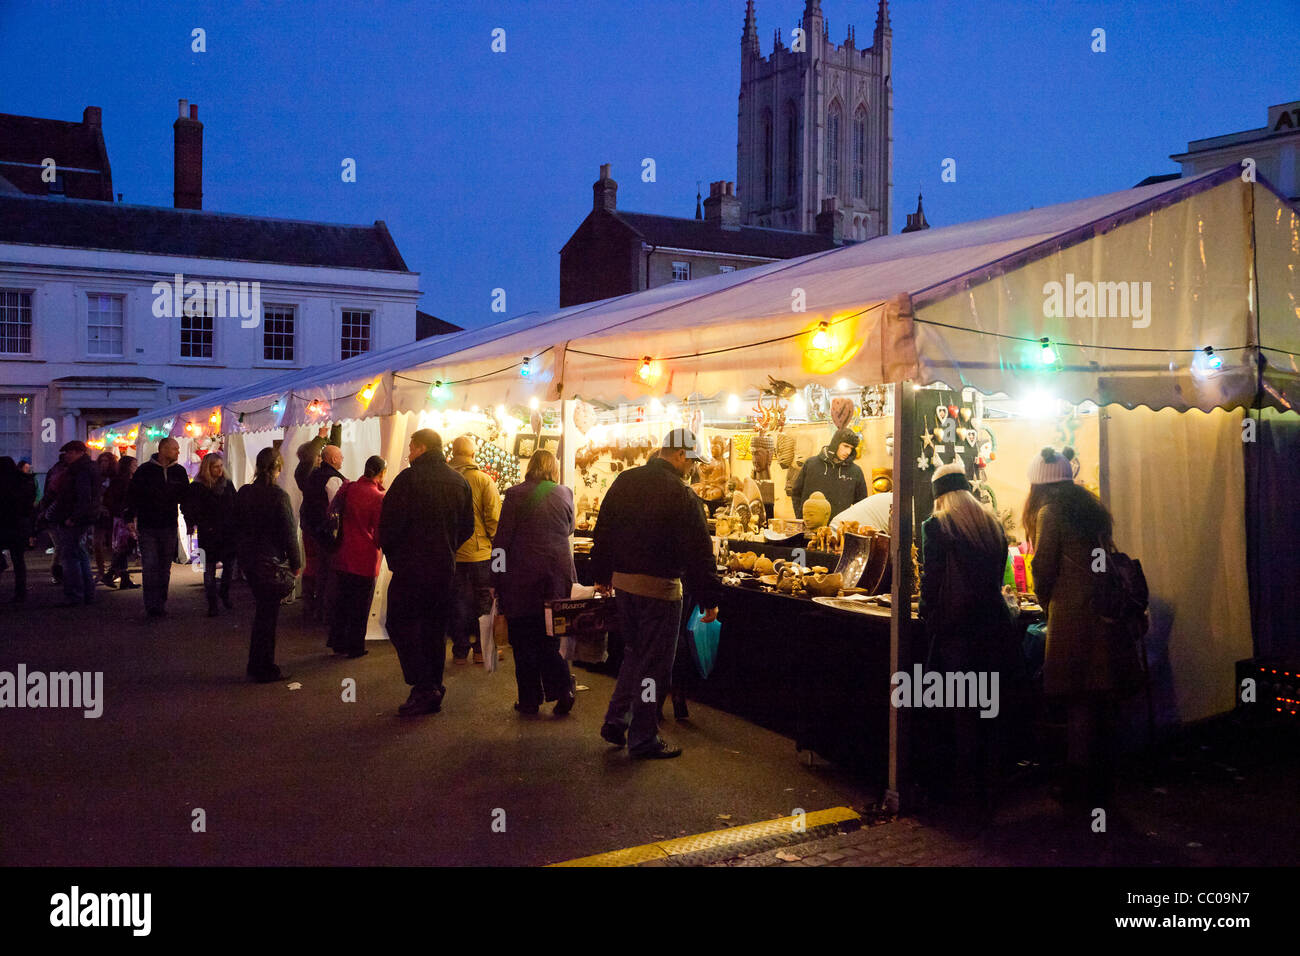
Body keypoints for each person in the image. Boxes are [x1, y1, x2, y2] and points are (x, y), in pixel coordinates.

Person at [591, 429, 721, 759]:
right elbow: (699, 551)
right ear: (679, 455)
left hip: (623, 585)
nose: (692, 467)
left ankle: (616, 720)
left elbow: (603, 529)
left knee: (634, 653)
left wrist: (602, 575)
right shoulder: (682, 494)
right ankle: (644, 737)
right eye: (691, 460)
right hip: (660, 591)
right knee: (656, 666)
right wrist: (709, 598)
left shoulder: (625, 480)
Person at [1022, 446, 1130, 807]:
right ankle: (1103, 780)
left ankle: (1077, 781)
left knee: (1077, 699)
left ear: (1039, 485)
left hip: (1072, 617)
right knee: (1099, 697)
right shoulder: (1091, 510)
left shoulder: (1050, 512)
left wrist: (1044, 600)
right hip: (1101, 613)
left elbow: (1043, 567)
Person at [918, 460, 1017, 814]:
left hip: (958, 635)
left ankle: (964, 796)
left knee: (961, 715)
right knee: (990, 712)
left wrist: (926, 616)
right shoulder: (991, 525)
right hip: (995, 629)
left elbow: (931, 581)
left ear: (939, 496)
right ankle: (992, 789)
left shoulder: (937, 527)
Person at [378, 429, 474, 717]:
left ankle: (424, 685)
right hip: (443, 569)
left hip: (410, 569)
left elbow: (388, 526)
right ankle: (433, 684)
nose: (408, 453)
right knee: (434, 629)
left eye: (410, 447)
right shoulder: (458, 482)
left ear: (420, 448)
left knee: (399, 624)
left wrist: (395, 557)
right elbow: (467, 527)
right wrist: (448, 547)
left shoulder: (408, 480)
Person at [493, 449, 577, 715]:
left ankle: (530, 700)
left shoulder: (515, 494)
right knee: (549, 638)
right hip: (557, 579)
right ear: (553, 468)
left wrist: (495, 577)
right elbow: (571, 528)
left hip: (522, 579)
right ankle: (563, 689)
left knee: (523, 640)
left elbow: (502, 541)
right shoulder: (565, 493)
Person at [235, 447, 302, 682]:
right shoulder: (277, 496)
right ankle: (263, 666)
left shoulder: (245, 493)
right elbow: (288, 532)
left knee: (263, 613)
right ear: (277, 468)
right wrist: (296, 562)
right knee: (267, 616)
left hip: (250, 559)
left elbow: (237, 525)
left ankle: (258, 664)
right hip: (269, 560)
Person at [447, 435, 502, 665]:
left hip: (453, 552)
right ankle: (481, 650)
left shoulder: (445, 479)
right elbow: (494, 518)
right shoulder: (483, 480)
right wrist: (493, 541)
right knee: (483, 601)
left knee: (457, 600)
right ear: (472, 454)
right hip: (480, 552)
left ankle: (460, 651)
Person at [329, 454, 387, 658]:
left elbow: (332, 511)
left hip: (343, 552)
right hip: (365, 557)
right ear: (382, 473)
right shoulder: (378, 497)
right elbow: (379, 531)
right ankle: (355, 646)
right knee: (360, 605)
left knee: (342, 601)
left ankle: (338, 642)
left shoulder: (349, 488)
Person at [126, 437, 190, 618]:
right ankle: (151, 604)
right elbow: (133, 495)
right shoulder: (145, 471)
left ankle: (160, 602)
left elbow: (185, 498)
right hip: (148, 525)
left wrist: (190, 518)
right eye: (174, 449)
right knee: (150, 565)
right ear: (163, 449)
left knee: (164, 566)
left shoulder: (179, 472)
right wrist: (129, 517)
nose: (178, 452)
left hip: (169, 524)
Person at [302, 444, 346, 641]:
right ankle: (327, 613)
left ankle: (315, 608)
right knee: (330, 574)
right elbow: (335, 507)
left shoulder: (313, 476)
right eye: (340, 456)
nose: (343, 458)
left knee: (319, 571)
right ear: (333, 459)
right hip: (328, 533)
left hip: (313, 530)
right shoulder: (334, 479)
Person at [47, 441, 99, 607]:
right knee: (79, 553)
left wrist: (74, 517)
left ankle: (75, 594)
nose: (67, 456)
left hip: (74, 517)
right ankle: (86, 593)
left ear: (79, 452)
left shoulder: (79, 470)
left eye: (70, 452)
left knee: (70, 557)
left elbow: (83, 496)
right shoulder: (88, 468)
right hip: (82, 517)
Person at [187, 452, 239, 616]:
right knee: (209, 568)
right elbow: (192, 508)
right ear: (208, 468)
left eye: (220, 466)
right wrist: (197, 523)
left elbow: (235, 502)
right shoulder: (198, 487)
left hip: (228, 531)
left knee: (229, 565)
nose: (219, 470)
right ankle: (212, 603)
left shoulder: (227, 484)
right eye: (216, 467)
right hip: (209, 532)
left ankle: (224, 591)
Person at [791, 427, 869, 519]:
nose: (848, 452)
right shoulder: (811, 464)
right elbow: (796, 493)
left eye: (851, 448)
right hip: (809, 527)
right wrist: (801, 517)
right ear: (836, 444)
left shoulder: (855, 471)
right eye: (845, 446)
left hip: (838, 528)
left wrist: (848, 525)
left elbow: (861, 504)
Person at [294, 427, 329, 619]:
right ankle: (311, 603)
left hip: (313, 522)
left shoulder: (313, 472)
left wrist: (336, 429)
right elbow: (309, 457)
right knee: (315, 563)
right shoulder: (304, 471)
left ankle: (314, 603)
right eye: (317, 454)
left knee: (317, 563)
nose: (319, 458)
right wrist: (320, 437)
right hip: (312, 524)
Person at [0, 456, 37, 603]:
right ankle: (20, 591)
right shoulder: (24, 481)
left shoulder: (3, 483)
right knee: (19, 559)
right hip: (20, 524)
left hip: (4, 523)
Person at [103, 455, 138, 589]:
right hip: (123, 517)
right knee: (124, 546)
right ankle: (111, 573)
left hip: (125, 516)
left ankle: (123, 578)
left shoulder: (128, 480)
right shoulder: (121, 482)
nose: (136, 467)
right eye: (134, 465)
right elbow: (115, 500)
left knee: (125, 547)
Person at [92, 452, 118, 584]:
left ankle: (114, 570)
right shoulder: (97, 477)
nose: (103, 464)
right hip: (99, 513)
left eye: (106, 461)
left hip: (111, 513)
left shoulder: (115, 478)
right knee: (97, 543)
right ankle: (101, 570)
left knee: (112, 544)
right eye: (101, 461)